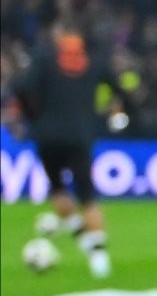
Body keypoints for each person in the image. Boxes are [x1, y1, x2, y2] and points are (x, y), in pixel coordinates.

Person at [13, 28, 114, 278]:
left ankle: (84, 239)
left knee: (58, 189)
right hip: (80, 136)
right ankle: (99, 258)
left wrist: (32, 116)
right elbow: (118, 88)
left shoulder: (45, 61)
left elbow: (22, 86)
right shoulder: (94, 63)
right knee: (87, 196)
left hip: (48, 136)